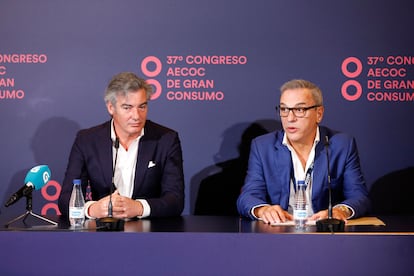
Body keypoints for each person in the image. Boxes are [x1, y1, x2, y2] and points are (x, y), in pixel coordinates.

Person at [237, 79, 370, 224]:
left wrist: (340, 211)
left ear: (319, 113)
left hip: (324, 233)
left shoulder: (341, 145)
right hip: (279, 232)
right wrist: (262, 210)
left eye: (299, 110)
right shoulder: (263, 146)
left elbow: (359, 196)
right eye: (284, 109)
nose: (290, 118)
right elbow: (248, 196)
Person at [58, 72, 185, 219]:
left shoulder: (166, 139)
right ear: (111, 108)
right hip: (102, 231)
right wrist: (93, 209)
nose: (136, 116)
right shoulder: (87, 140)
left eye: (142, 107)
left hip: (151, 233)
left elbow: (175, 200)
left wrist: (139, 207)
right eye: (127, 107)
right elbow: (66, 198)